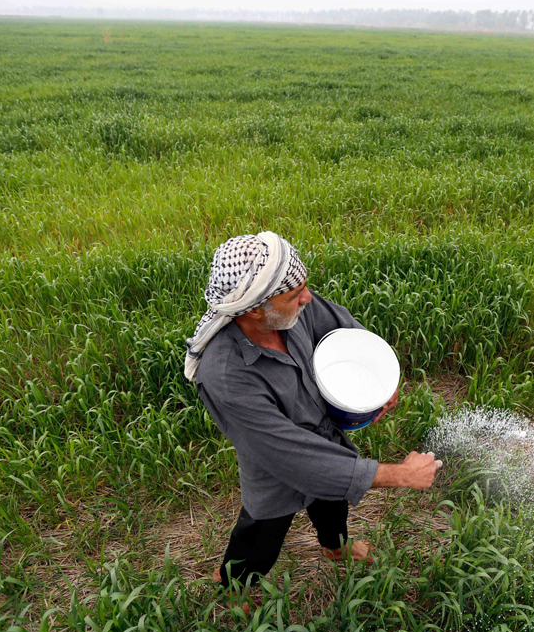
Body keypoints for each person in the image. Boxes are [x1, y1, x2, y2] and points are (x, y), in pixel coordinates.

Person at [185, 231, 442, 593]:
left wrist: (382, 382)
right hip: (276, 463)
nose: (307, 297)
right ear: (255, 309)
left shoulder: (289, 309)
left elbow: (341, 326)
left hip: (324, 437)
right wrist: (399, 475)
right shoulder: (227, 374)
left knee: (334, 503)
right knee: (262, 530)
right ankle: (236, 585)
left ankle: (334, 547)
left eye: (304, 286)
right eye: (294, 294)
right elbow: (296, 458)